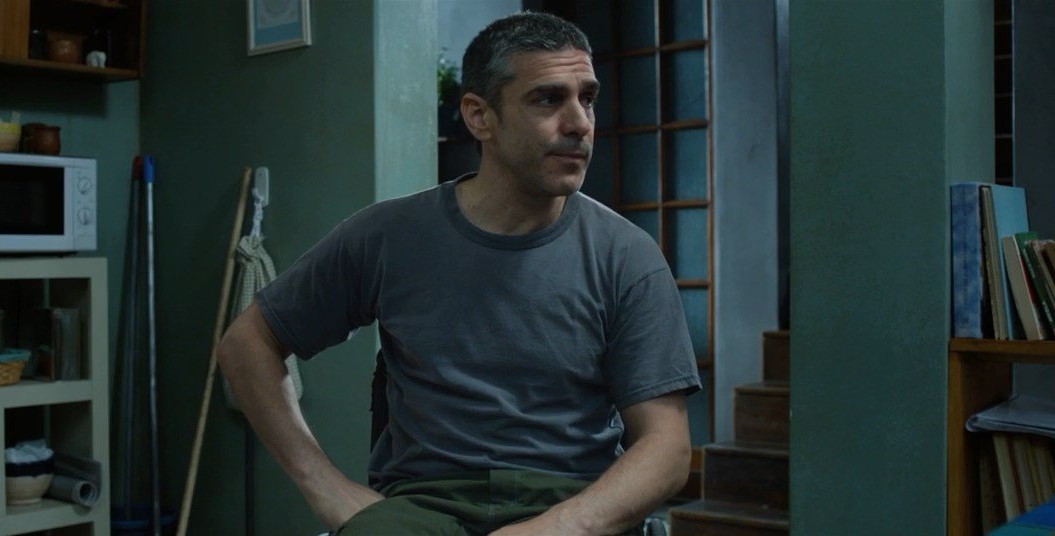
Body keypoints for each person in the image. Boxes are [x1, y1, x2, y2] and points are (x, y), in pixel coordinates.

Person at [217, 11, 700, 536]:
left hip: (572, 498)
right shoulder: (388, 236)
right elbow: (247, 345)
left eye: (587, 98)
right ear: (478, 116)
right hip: (424, 506)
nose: (580, 122)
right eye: (548, 99)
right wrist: (326, 489)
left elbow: (667, 447)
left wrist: (562, 527)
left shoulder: (627, 256)